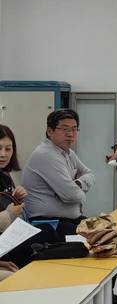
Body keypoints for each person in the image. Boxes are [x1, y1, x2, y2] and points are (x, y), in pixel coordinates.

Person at [22, 109, 95, 235]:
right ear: (49, 131)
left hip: (68, 220)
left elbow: (90, 174)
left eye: (74, 129)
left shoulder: (68, 153)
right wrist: (81, 195)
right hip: (48, 223)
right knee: (95, 238)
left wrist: (77, 184)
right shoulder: (46, 154)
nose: (70, 134)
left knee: (106, 230)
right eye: (65, 129)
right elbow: (71, 195)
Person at [0, 124, 62, 268]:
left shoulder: (5, 176)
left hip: (9, 237)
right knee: (47, 231)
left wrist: (15, 199)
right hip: (3, 245)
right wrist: (8, 214)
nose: (3, 154)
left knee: (53, 231)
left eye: (8, 149)